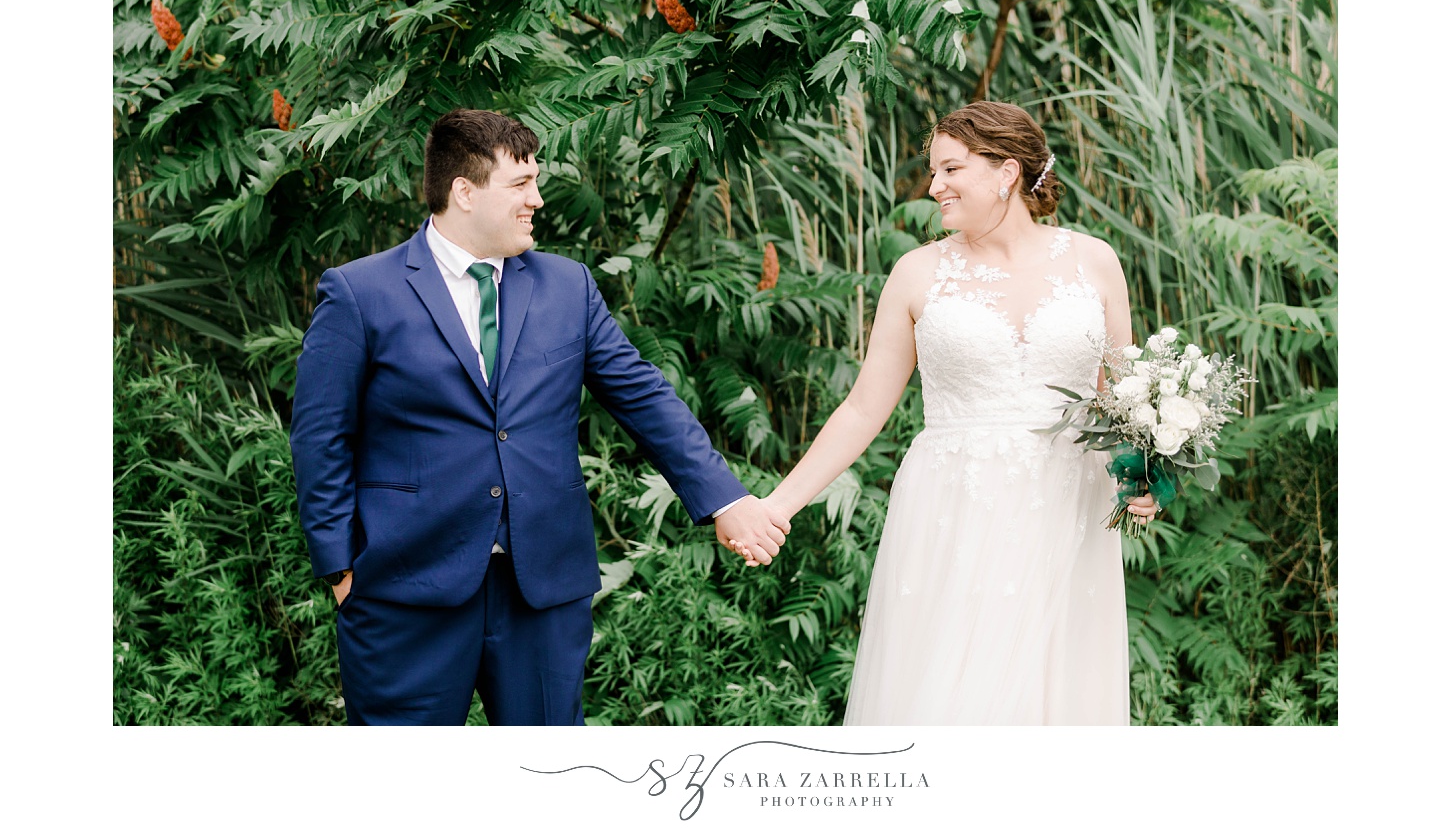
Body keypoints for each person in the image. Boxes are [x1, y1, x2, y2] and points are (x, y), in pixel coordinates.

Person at [290, 108, 790, 726]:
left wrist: (724, 499)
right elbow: (320, 438)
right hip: (404, 587)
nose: (538, 200)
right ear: (464, 192)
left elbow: (643, 396)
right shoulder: (361, 292)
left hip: (543, 588)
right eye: (520, 185)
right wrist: (339, 567)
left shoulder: (567, 286)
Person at [732, 101, 1156, 724]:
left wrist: (1141, 476)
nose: (934, 187)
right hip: (955, 507)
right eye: (933, 172)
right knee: (954, 696)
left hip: (1069, 507)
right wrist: (777, 506)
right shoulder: (917, 273)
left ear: (1006, 171)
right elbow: (861, 410)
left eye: (950, 169)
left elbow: (1123, 398)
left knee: (1057, 697)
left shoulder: (1094, 261)